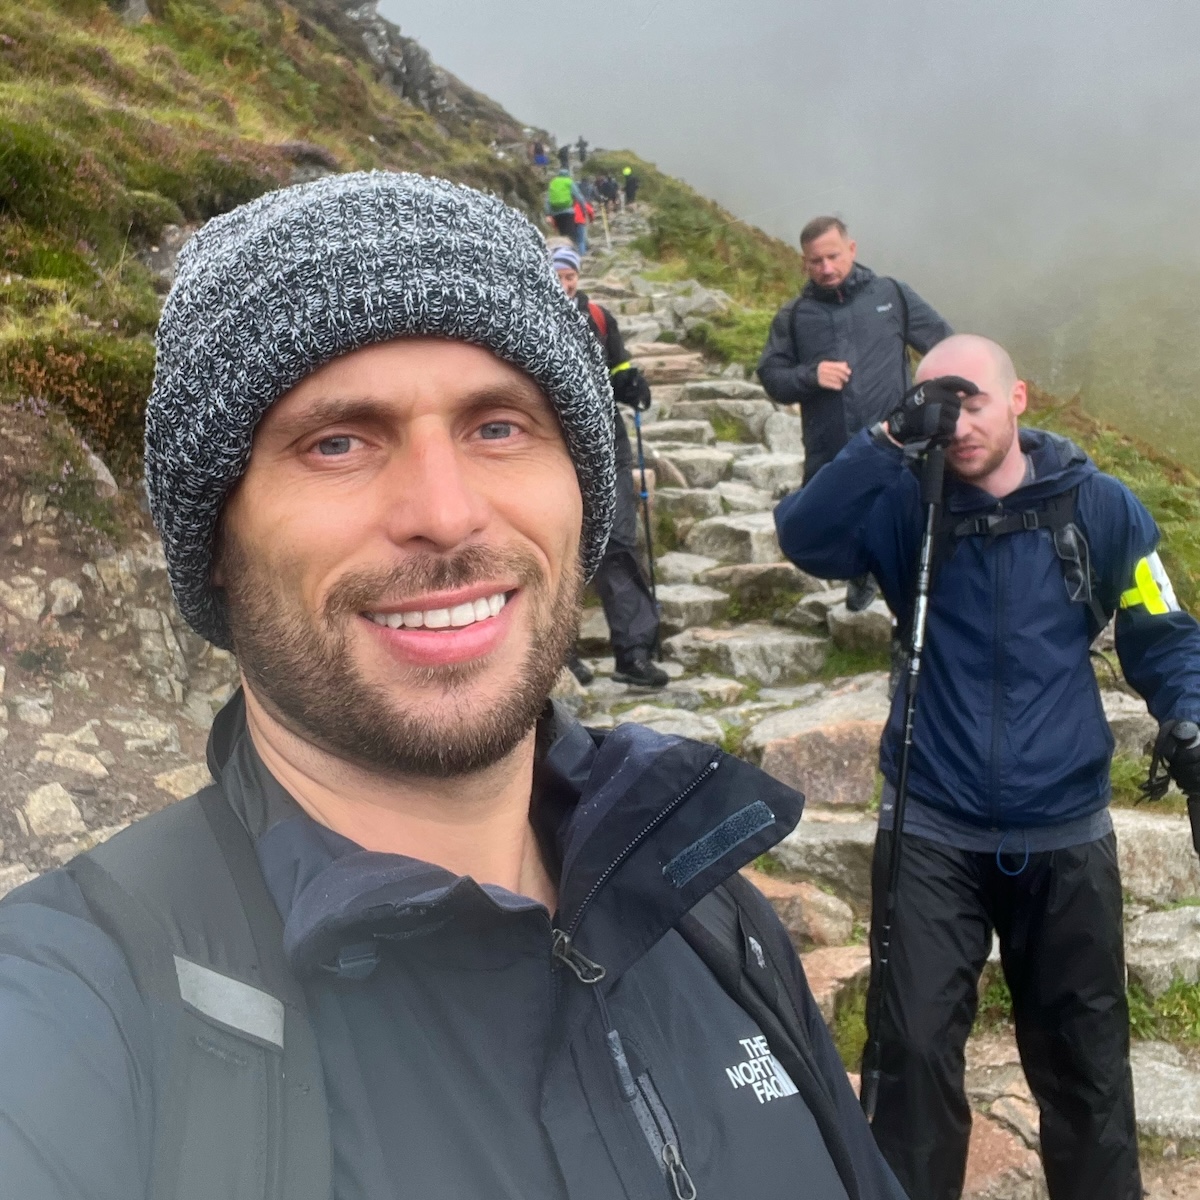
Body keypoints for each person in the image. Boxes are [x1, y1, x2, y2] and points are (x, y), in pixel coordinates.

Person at [0, 171, 909, 1200]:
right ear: (215, 540)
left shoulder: (709, 913)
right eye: (337, 441)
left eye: (500, 426)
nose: (446, 512)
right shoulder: (80, 1007)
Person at [774, 333, 1200, 1200]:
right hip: (931, 821)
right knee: (912, 1057)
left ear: (1019, 400)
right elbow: (804, 538)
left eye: (972, 401)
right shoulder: (905, 504)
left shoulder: (1102, 507)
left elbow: (1164, 629)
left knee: (1085, 1064)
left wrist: (1190, 717)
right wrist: (889, 440)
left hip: (1067, 827)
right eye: (938, 404)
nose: (956, 422)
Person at [759, 216, 953, 611]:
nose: (826, 268)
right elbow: (772, 376)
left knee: (910, 538)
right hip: (832, 449)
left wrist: (931, 403)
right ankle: (860, 572)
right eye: (815, 261)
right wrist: (810, 375)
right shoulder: (795, 315)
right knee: (837, 528)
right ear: (804, 263)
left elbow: (943, 346)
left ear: (852, 249)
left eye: (833, 256)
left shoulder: (892, 295)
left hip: (900, 443)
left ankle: (908, 624)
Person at [550, 243, 666, 689]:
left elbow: (618, 366)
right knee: (560, 549)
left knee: (619, 541)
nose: (565, 281)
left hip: (608, 442)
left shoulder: (599, 317)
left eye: (570, 274)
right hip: (555, 448)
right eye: (558, 274)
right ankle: (558, 655)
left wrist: (631, 384)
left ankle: (634, 654)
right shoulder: (532, 315)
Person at [546, 167, 589, 256]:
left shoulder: (553, 183)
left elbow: (548, 200)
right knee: (570, 235)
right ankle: (571, 254)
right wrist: (584, 209)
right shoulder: (569, 182)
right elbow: (578, 196)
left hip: (556, 213)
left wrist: (548, 213)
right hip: (568, 211)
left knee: (562, 234)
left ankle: (562, 253)